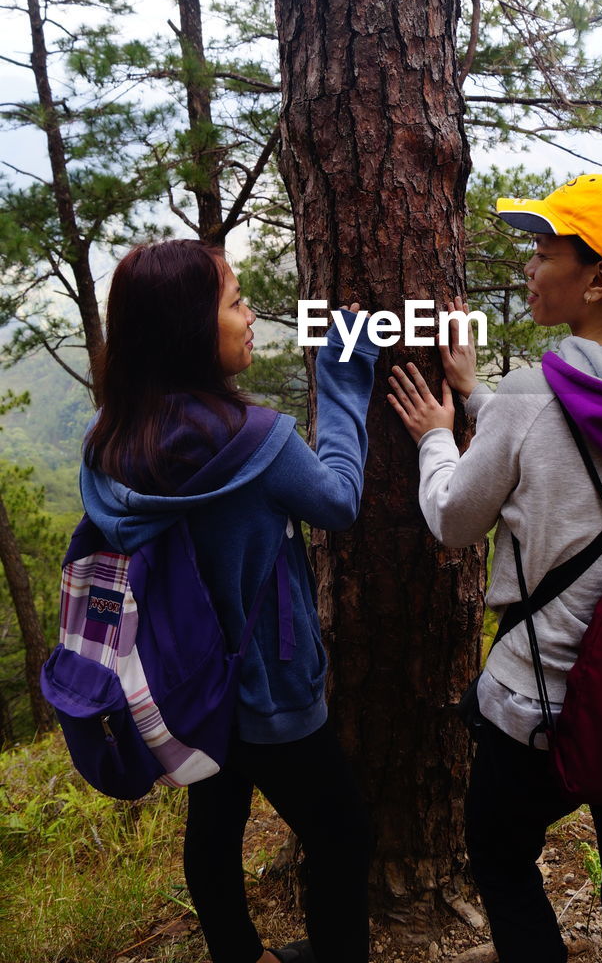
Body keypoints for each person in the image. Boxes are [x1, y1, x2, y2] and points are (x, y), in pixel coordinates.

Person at [387, 173, 602, 963]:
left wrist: (439, 433)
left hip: (538, 708)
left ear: (598, 278)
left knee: (501, 862)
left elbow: (452, 520)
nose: (529, 268)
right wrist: (481, 405)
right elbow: (582, 471)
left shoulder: (528, 400)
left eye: (543, 253)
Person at [80, 239, 379, 963]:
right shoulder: (259, 443)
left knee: (213, 825)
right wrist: (342, 377)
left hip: (180, 682)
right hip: (267, 691)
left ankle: (235, 953)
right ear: (190, 328)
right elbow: (337, 500)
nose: (250, 317)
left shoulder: (110, 440)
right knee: (344, 833)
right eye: (236, 302)